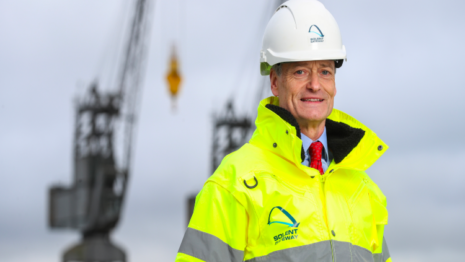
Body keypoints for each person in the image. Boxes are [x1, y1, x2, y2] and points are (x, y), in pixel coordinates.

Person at [176, 0, 392, 261]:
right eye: (300, 71)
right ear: (276, 82)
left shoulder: (364, 191)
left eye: (325, 71)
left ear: (334, 83)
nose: (315, 85)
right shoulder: (232, 185)